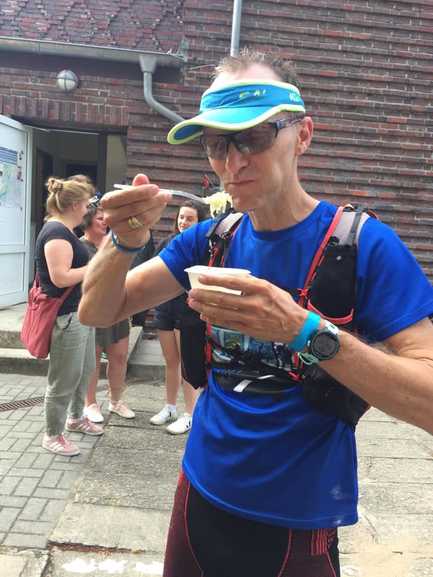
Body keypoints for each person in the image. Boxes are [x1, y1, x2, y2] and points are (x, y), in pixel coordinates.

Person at [78, 48, 433, 577]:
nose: (233, 162)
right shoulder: (209, 239)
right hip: (199, 493)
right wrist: (124, 241)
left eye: (254, 137)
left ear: (303, 135)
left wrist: (300, 328)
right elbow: (98, 309)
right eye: (217, 143)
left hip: (297, 520)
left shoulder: (363, 247)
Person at [36, 177, 104, 458]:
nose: (89, 209)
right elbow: (60, 277)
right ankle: (52, 434)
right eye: (87, 204)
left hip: (79, 313)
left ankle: (76, 418)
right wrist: (94, 266)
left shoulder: (65, 231)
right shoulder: (56, 233)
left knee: (84, 370)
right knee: (63, 379)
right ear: (75, 205)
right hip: (66, 318)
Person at [150, 202, 207, 434]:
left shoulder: (203, 247)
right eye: (181, 217)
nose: (183, 222)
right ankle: (170, 407)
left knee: (186, 363)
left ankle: (190, 413)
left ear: (200, 222)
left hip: (189, 311)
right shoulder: (168, 243)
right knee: (170, 361)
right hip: (165, 308)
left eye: (189, 219)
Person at [80, 204, 135, 422]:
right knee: (92, 360)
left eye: (106, 218)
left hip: (118, 309)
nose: (105, 222)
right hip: (92, 311)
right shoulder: (79, 247)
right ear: (87, 221)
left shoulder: (114, 244)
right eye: (99, 218)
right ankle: (90, 403)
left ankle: (115, 401)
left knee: (119, 356)